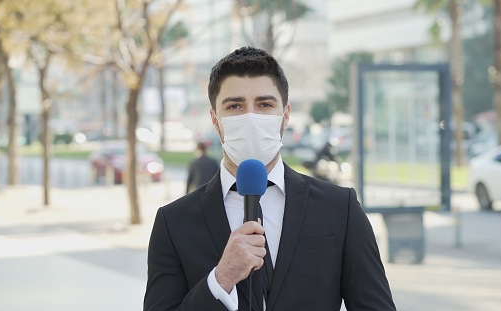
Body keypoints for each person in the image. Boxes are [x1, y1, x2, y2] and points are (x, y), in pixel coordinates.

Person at [144, 47, 396, 311]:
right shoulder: (174, 223)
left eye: (264, 104)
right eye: (235, 105)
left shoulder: (339, 207)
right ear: (215, 120)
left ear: (285, 116)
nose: (250, 117)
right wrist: (222, 278)